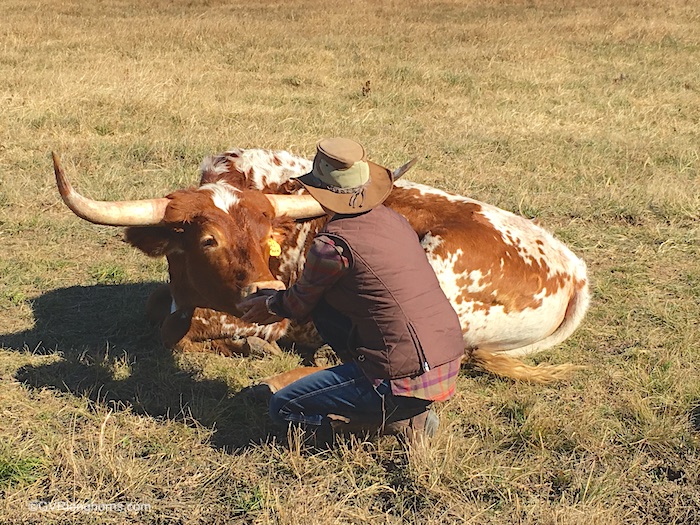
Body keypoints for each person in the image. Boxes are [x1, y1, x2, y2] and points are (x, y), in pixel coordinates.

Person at [237, 137, 464, 442]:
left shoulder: (332, 245)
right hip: (446, 362)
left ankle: (393, 422)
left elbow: (300, 303)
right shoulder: (394, 220)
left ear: (320, 193)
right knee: (329, 307)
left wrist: (270, 303)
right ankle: (400, 406)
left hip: (400, 377)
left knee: (284, 407)